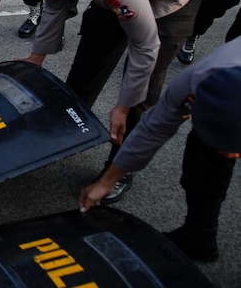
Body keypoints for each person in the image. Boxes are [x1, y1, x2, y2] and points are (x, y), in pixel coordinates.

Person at [8, 0, 202, 203]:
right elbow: (54, 5)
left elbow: (145, 45)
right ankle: (66, 133)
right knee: (87, 65)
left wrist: (122, 105)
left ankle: (119, 169)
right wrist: (36, 58)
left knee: (142, 90)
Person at [80, 37, 241, 263]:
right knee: (204, 157)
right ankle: (199, 235)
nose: (232, 156)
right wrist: (109, 179)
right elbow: (153, 129)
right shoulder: (195, 82)